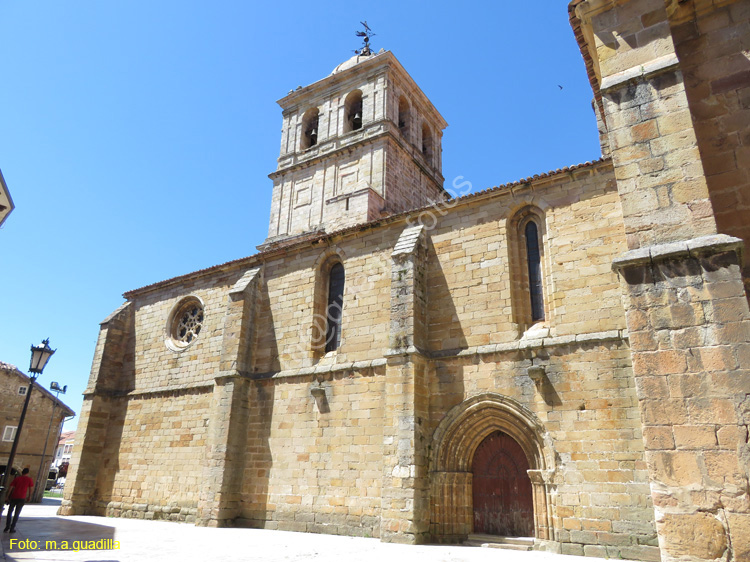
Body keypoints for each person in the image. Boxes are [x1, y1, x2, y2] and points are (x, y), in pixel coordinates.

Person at [3, 468, 34, 533]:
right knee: (17, 513)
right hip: (21, 498)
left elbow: (10, 488)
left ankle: (7, 527)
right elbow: (31, 489)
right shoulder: (29, 479)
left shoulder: (17, 479)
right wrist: (29, 496)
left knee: (9, 512)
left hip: (14, 497)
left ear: (22, 472)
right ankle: (12, 528)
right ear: (27, 473)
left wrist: (7, 496)